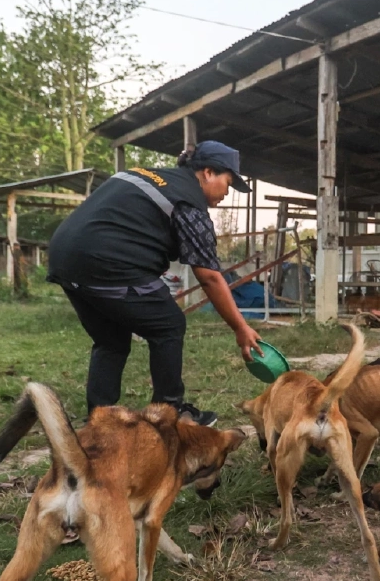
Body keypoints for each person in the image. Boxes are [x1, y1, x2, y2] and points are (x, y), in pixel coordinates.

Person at [47, 141, 263, 426]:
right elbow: (209, 276)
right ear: (208, 172)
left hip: (64, 256)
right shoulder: (188, 202)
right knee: (169, 325)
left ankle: (100, 422)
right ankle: (168, 414)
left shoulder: (149, 175)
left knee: (111, 340)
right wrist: (240, 327)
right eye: (228, 182)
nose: (227, 192)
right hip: (105, 262)